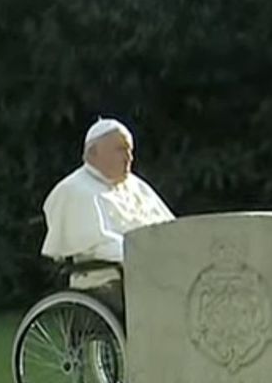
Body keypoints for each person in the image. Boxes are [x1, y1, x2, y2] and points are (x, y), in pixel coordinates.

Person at [40, 118, 174, 311]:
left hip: (149, 268)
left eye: (130, 150)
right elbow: (97, 245)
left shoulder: (137, 186)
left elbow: (169, 227)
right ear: (93, 153)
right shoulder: (74, 190)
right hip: (107, 278)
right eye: (121, 149)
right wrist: (145, 254)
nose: (129, 157)